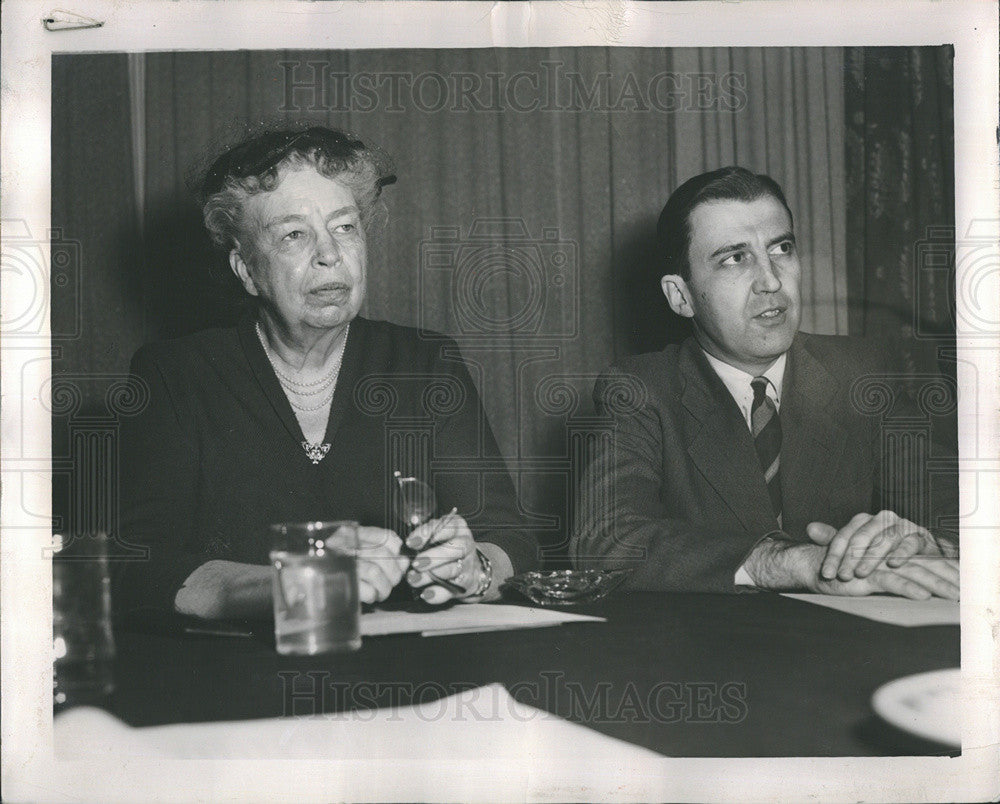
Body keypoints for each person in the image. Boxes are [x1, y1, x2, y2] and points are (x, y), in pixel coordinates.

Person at [115, 126, 536, 619]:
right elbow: (136, 566)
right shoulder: (175, 375)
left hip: (408, 671)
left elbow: (510, 538)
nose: (330, 253)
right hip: (240, 677)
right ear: (246, 270)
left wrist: (476, 568)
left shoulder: (425, 364)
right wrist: (289, 588)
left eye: (344, 227)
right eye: (294, 234)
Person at [570, 166, 959, 599]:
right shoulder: (640, 391)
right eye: (734, 258)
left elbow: (962, 514)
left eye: (782, 248)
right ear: (680, 296)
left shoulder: (862, 374)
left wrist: (929, 543)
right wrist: (788, 562)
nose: (772, 280)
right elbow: (606, 541)